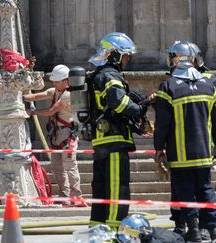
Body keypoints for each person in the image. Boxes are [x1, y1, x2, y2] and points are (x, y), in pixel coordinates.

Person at [153, 40, 216, 242]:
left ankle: (193, 230)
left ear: (175, 59)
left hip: (179, 153)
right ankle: (213, 230)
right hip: (204, 151)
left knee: (185, 191)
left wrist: (158, 149)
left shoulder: (167, 87)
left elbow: (162, 124)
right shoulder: (208, 84)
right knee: (206, 189)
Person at [87, 32, 149, 229]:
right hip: (114, 140)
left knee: (101, 190)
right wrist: (140, 109)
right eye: (125, 55)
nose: (127, 60)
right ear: (113, 55)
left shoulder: (97, 75)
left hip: (101, 140)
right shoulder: (110, 75)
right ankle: (114, 232)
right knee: (117, 189)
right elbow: (119, 103)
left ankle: (97, 230)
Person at [23, 64, 85, 207]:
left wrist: (32, 112)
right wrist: (22, 95)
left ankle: (76, 196)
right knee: (57, 166)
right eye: (54, 82)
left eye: (57, 81)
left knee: (70, 166)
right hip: (57, 134)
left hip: (67, 134)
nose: (54, 84)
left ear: (66, 81)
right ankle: (64, 195)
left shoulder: (68, 95)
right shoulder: (55, 90)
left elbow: (51, 111)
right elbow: (37, 96)